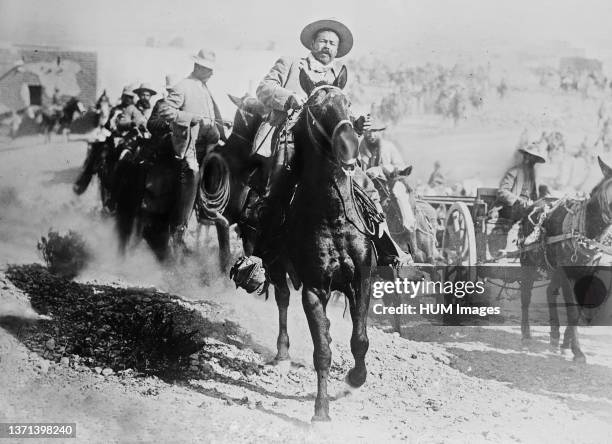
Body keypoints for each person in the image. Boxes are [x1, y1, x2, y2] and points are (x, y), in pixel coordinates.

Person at [235, 18, 411, 289]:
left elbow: (339, 111)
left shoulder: (337, 76)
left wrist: (356, 122)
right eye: (323, 41)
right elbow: (263, 89)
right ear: (312, 43)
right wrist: (289, 98)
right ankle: (257, 260)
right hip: (289, 136)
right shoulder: (291, 64)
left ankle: (388, 249)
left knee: (364, 186)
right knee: (279, 186)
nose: (327, 47)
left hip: (325, 146)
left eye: (333, 43)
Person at [157, 49, 227, 248]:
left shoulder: (205, 88)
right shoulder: (183, 86)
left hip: (209, 144)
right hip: (190, 147)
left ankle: (212, 217)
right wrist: (189, 118)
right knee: (192, 174)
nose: (212, 73)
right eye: (208, 69)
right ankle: (181, 227)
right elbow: (165, 111)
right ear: (198, 67)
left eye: (212, 70)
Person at [495, 144, 547, 223]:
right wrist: (518, 200)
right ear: (525, 157)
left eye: (535, 159)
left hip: (528, 209)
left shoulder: (534, 177)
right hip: (510, 208)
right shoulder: (514, 172)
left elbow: (537, 196)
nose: (532, 161)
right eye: (530, 157)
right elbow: (502, 192)